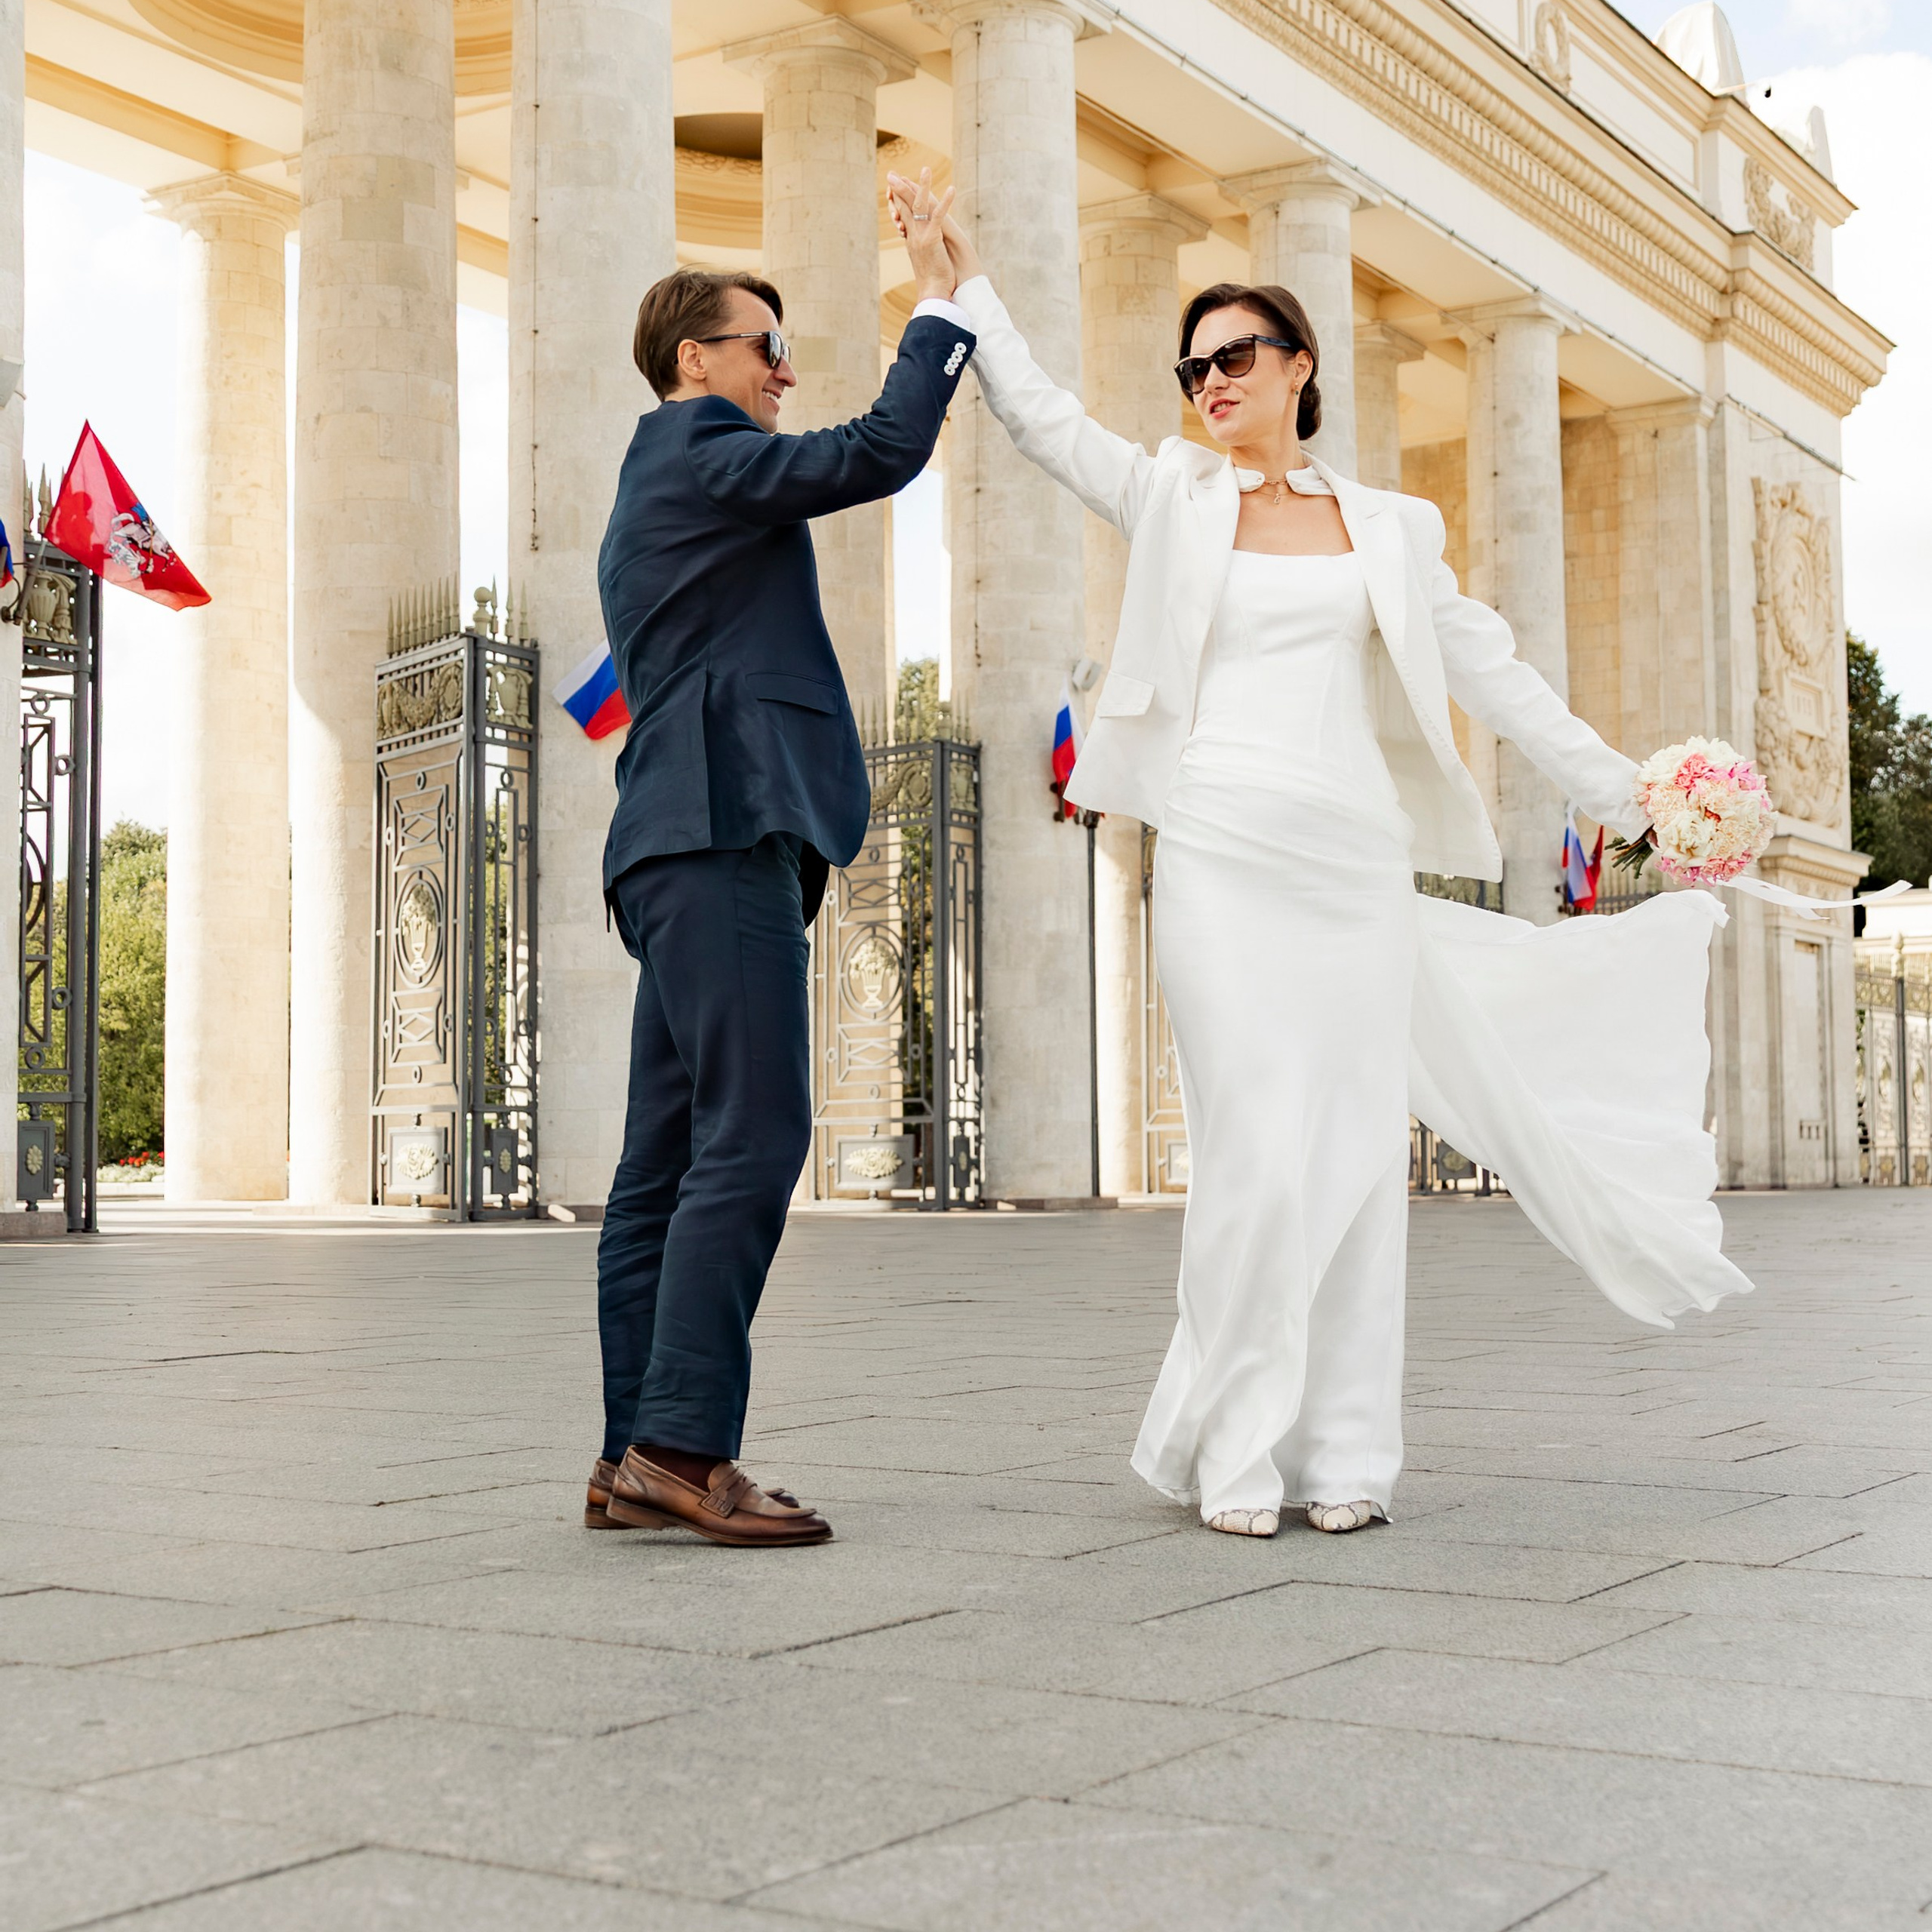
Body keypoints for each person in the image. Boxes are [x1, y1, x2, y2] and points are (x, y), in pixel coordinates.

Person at [888, 172, 1752, 1540]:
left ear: (1299, 366)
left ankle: (1348, 1454)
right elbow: (1045, 417)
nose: (1211, 379)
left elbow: (1499, 676)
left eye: (1237, 355)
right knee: (1253, 1148)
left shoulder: (1396, 532)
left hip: (1354, 866)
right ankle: (1234, 1450)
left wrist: (1630, 795)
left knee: (1352, 1157)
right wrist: (961, 276)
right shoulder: (1174, 494)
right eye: (1193, 365)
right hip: (1221, 853)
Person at [586, 180, 976, 1549]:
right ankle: (687, 1450)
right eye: (765, 343)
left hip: (676, 838)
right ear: (696, 358)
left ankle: (632, 1454)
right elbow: (873, 451)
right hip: (723, 825)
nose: (782, 366)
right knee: (754, 1137)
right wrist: (938, 306)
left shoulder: (672, 470)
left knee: (665, 1163)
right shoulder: (695, 446)